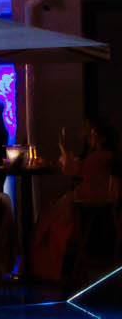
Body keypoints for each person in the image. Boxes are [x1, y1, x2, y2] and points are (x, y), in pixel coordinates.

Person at [29, 120, 119, 283]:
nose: (90, 137)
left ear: (102, 138)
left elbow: (74, 170)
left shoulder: (100, 156)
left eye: (93, 135)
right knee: (52, 214)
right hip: (90, 195)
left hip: (88, 198)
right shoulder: (104, 155)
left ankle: (46, 266)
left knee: (50, 218)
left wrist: (63, 149)